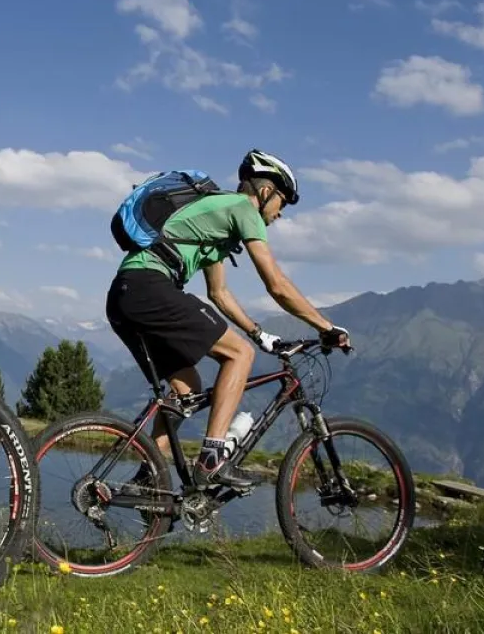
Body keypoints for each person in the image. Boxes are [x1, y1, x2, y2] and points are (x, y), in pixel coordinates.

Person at [105, 149, 350, 488]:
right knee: (239, 355)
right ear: (265, 192)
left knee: (185, 388)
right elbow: (276, 285)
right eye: (283, 201)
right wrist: (325, 326)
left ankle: (149, 478)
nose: (281, 214)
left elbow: (218, 293)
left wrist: (259, 334)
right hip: (150, 287)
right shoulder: (240, 209)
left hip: (125, 295)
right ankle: (212, 458)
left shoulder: (212, 218)